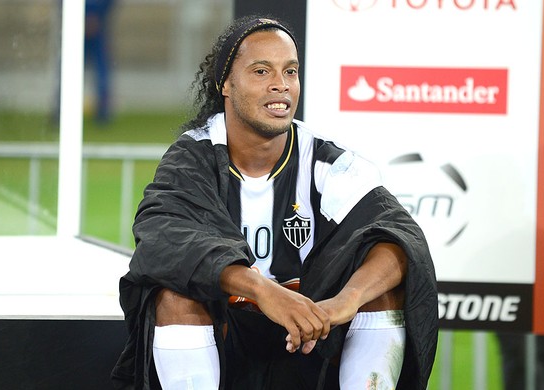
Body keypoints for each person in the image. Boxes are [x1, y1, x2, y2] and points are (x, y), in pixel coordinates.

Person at [112, 15, 438, 390]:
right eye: (262, 71)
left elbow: (400, 237)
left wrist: (345, 301)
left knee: (382, 290)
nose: (281, 86)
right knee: (173, 295)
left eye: (291, 71)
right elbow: (164, 239)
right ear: (225, 84)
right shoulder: (194, 158)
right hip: (224, 336)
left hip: (311, 337)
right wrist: (263, 290)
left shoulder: (324, 162)